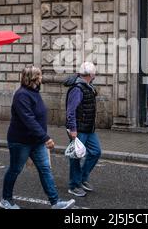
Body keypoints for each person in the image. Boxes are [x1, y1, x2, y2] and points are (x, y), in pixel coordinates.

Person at [0, 66, 75, 209]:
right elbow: (29, 119)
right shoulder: (22, 95)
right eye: (39, 75)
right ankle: (6, 200)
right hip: (21, 141)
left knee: (45, 168)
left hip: (36, 141)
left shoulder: (34, 92)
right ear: (32, 78)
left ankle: (55, 202)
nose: (42, 78)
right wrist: (46, 138)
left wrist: (42, 138)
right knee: (15, 169)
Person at [64, 62, 101, 197]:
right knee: (76, 157)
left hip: (89, 129)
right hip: (78, 129)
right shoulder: (77, 89)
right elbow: (71, 111)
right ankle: (74, 185)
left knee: (96, 152)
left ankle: (82, 178)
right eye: (94, 73)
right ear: (91, 75)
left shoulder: (88, 86)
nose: (95, 75)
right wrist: (73, 129)